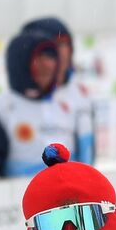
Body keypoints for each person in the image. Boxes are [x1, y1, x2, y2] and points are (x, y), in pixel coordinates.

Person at [0, 26, 73, 180]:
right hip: (18, 200)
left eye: (52, 58)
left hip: (68, 199)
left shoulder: (67, 105)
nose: (48, 65)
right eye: (40, 59)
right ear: (21, 62)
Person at [23, 16, 97, 165]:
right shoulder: (20, 98)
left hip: (68, 183)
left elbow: (87, 151)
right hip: (28, 185)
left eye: (65, 44)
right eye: (54, 45)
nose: (62, 52)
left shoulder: (80, 94)